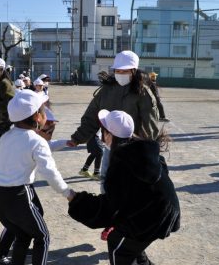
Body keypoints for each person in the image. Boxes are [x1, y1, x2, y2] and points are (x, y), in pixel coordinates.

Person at [68, 109, 180, 265]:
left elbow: (110, 207)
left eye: (102, 130)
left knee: (119, 246)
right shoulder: (143, 150)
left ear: (109, 135)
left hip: (150, 216)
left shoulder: (121, 163)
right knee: (133, 242)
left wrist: (78, 202)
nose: (100, 135)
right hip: (165, 212)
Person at [0, 89, 75, 265]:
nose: (46, 115)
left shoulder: (7, 136)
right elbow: (50, 172)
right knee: (42, 236)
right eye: (44, 110)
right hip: (19, 195)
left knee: (22, 234)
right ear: (37, 116)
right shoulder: (36, 141)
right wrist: (67, 192)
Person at [68, 50, 160, 186]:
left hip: (133, 149)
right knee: (107, 181)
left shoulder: (143, 92)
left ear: (134, 71)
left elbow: (150, 125)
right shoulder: (106, 90)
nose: (120, 74)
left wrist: (147, 150)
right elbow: (91, 116)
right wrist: (77, 138)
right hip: (110, 147)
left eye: (125, 71)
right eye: (118, 71)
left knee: (131, 183)